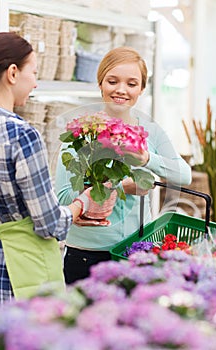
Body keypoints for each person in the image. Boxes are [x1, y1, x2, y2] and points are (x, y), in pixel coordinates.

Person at [0, 32, 115, 306]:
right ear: (12, 73)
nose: (35, 82)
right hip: (19, 272)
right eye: (33, 72)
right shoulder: (21, 135)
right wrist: (82, 204)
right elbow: (49, 223)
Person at [55, 46, 192, 284]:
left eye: (131, 83)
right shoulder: (81, 134)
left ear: (141, 89)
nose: (121, 90)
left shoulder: (151, 133)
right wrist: (119, 187)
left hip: (135, 251)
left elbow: (184, 175)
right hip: (86, 254)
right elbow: (64, 198)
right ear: (100, 83)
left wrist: (147, 159)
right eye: (112, 81)